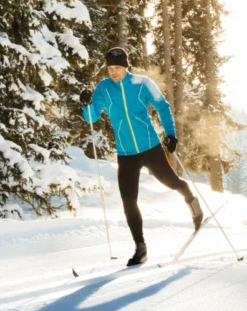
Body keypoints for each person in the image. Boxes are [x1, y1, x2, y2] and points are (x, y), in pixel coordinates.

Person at [79, 47, 203, 266]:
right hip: (125, 153)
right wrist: (86, 104)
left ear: (126, 66)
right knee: (128, 201)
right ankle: (140, 247)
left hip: (150, 147)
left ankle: (189, 197)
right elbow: (92, 117)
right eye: (110, 68)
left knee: (171, 182)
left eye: (117, 67)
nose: (113, 72)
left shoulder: (143, 83)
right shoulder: (104, 88)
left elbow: (162, 107)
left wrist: (171, 135)